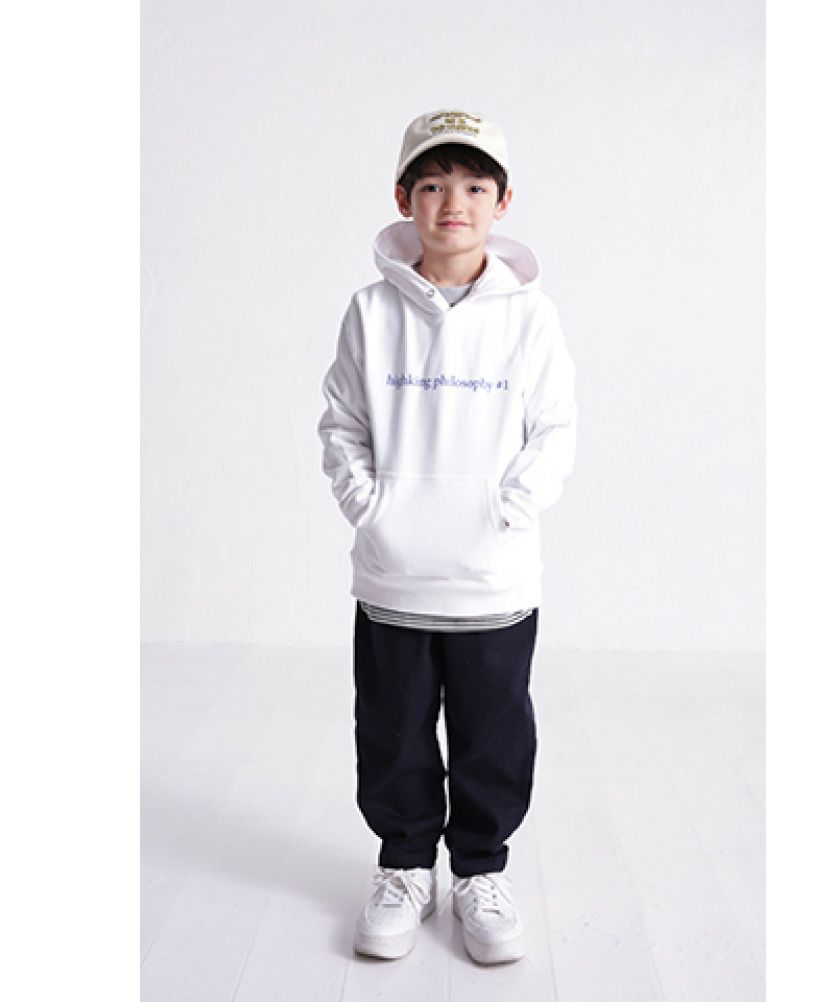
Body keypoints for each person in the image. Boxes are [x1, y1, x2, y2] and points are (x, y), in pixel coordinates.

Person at [317, 108, 577, 965]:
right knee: (392, 729)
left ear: (503, 202)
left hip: (494, 579)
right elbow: (342, 424)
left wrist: (509, 512)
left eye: (472, 186)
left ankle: (479, 872)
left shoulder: (531, 318)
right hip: (393, 574)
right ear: (405, 198)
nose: (452, 203)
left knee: (493, 733)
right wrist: (372, 507)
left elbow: (555, 429)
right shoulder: (369, 312)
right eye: (432, 184)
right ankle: (403, 868)